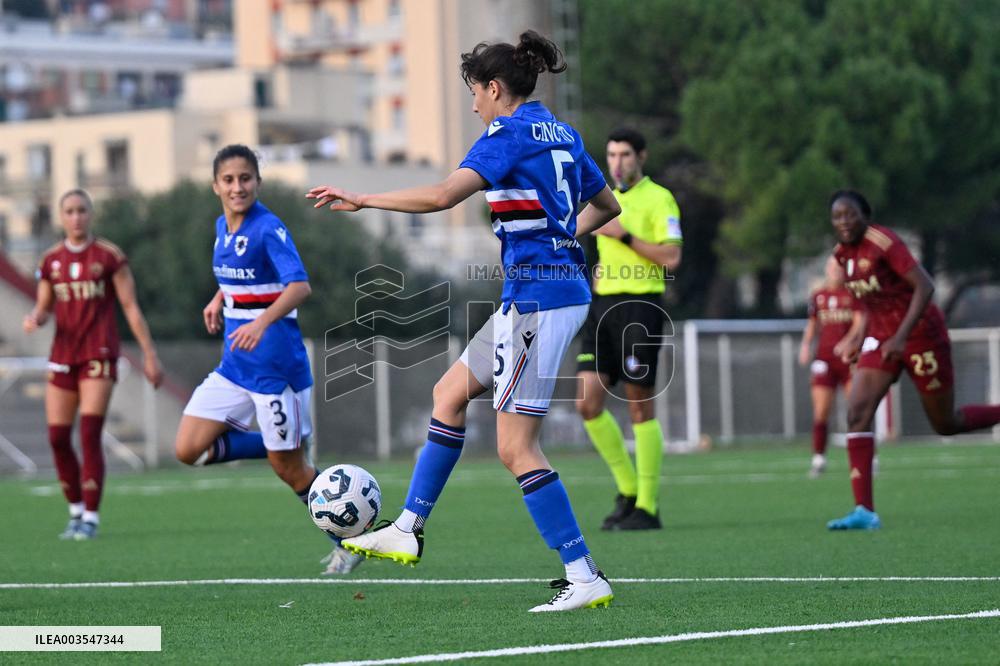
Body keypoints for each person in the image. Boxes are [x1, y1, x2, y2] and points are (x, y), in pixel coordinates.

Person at [307, 31, 622, 611]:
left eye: (475, 92)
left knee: (516, 448)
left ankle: (584, 575)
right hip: (539, 294)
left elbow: (442, 196)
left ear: (494, 88)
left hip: (539, 300)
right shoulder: (562, 132)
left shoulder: (506, 135)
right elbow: (609, 207)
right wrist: (562, 237)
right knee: (448, 394)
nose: (474, 105)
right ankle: (407, 529)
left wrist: (364, 199)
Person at [173, 145, 356, 574]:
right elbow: (245, 276)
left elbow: (298, 286)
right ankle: (286, 445)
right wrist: (220, 298)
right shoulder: (221, 226)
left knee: (291, 473)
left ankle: (349, 543)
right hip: (236, 366)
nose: (237, 187)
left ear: (258, 181)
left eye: (245, 178)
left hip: (276, 371)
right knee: (188, 449)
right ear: (215, 185)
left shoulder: (268, 228)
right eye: (229, 179)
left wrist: (260, 322)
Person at [827, 189, 1000, 530]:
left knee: (945, 424)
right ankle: (864, 511)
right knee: (857, 412)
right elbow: (870, 299)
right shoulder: (841, 254)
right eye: (837, 216)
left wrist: (902, 336)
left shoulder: (884, 242)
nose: (844, 222)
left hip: (921, 334)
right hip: (883, 337)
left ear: (865, 216)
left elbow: (925, 286)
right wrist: (859, 337)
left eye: (850, 214)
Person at [24, 189, 164, 540]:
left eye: (82, 210)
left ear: (91, 214)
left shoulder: (109, 256)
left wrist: (149, 354)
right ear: (61, 217)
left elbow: (130, 307)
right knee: (57, 437)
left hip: (98, 353)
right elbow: (44, 305)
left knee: (88, 433)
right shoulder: (51, 260)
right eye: (70, 211)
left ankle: (91, 516)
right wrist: (36, 318)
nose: (76, 217)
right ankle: (74, 511)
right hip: (63, 355)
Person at [574, 127, 682, 530]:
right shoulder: (603, 199)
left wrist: (625, 236)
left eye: (625, 155)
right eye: (611, 155)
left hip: (640, 307)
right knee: (586, 402)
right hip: (602, 307)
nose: (617, 163)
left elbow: (671, 258)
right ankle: (628, 490)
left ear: (641, 157)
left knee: (639, 406)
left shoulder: (660, 198)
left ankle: (648, 508)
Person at [798, 255, 864, 478]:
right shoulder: (818, 296)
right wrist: (805, 345)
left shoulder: (853, 293)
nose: (835, 271)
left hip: (848, 359)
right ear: (827, 270)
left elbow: (859, 322)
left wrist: (848, 341)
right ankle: (819, 458)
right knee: (821, 411)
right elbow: (813, 324)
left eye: (839, 267)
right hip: (824, 359)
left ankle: (866, 458)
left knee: (857, 409)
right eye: (832, 267)